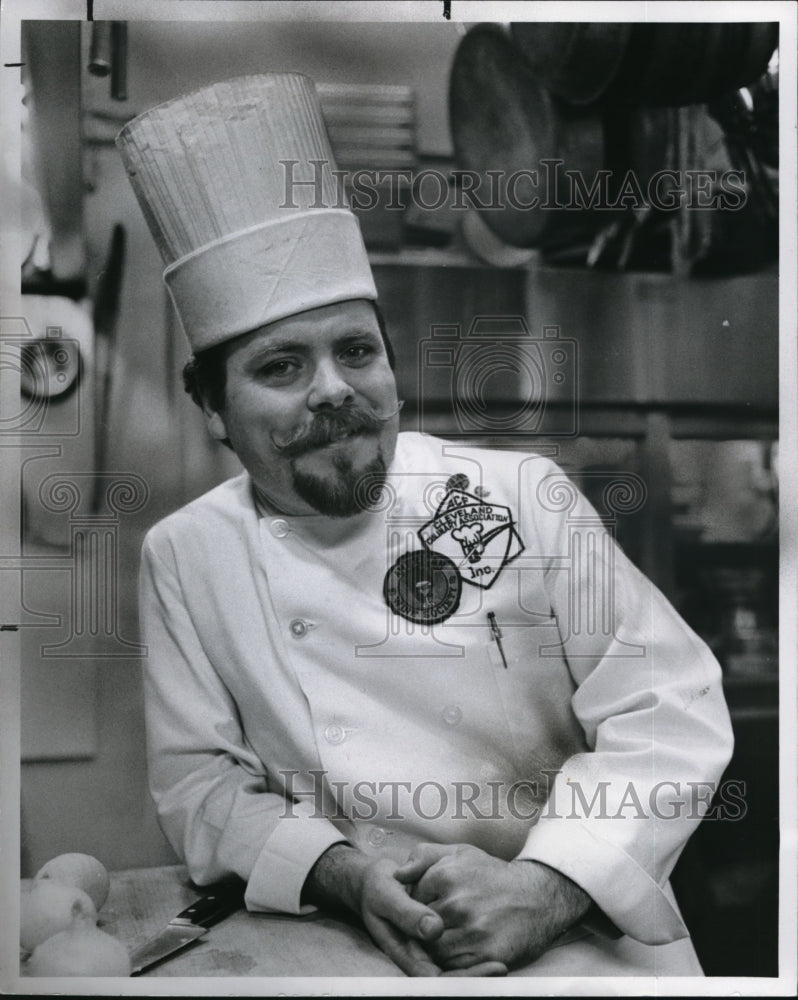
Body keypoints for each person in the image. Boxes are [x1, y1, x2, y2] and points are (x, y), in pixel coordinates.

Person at [118, 74, 734, 978]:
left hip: (581, 942)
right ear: (213, 409)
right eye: (282, 366)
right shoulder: (184, 555)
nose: (333, 388)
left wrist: (551, 884)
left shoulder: (523, 496)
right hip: (357, 947)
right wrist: (342, 874)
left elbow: (671, 706)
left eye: (356, 350)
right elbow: (201, 785)